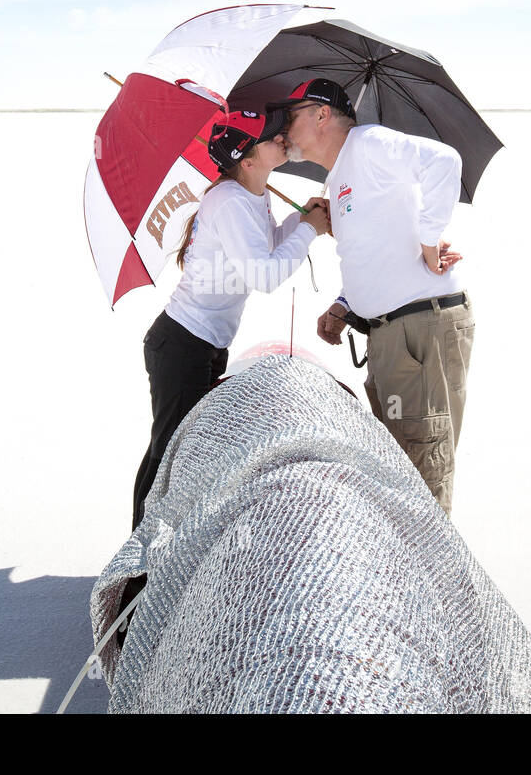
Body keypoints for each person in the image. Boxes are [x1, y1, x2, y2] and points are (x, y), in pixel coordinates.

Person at [268, 78, 472, 517]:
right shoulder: (339, 176)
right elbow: (369, 252)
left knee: (419, 470)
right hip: (388, 336)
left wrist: (429, 242)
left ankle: (429, 583)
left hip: (419, 327)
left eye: (292, 116)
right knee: (395, 464)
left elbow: (444, 161)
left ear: (322, 115)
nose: (284, 130)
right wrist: (345, 304)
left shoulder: (369, 142)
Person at [131, 108, 330, 531]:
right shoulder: (229, 201)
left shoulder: (254, 195)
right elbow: (266, 275)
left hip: (205, 344)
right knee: (168, 456)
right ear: (247, 159)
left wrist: (300, 218)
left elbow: (266, 248)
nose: (281, 137)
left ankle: (167, 553)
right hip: (182, 343)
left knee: (189, 454)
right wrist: (309, 230)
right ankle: (137, 567)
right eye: (270, 136)